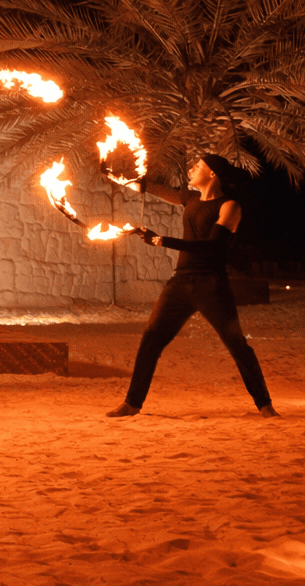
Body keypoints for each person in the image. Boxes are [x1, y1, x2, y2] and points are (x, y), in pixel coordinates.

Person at [107, 154, 277, 418]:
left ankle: (264, 405)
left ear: (212, 174)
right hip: (180, 283)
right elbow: (151, 188)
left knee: (237, 344)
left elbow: (213, 247)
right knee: (151, 339)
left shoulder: (229, 206)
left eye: (198, 166)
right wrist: (122, 178)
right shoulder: (190, 199)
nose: (191, 169)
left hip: (212, 285)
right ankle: (132, 403)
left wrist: (162, 241)